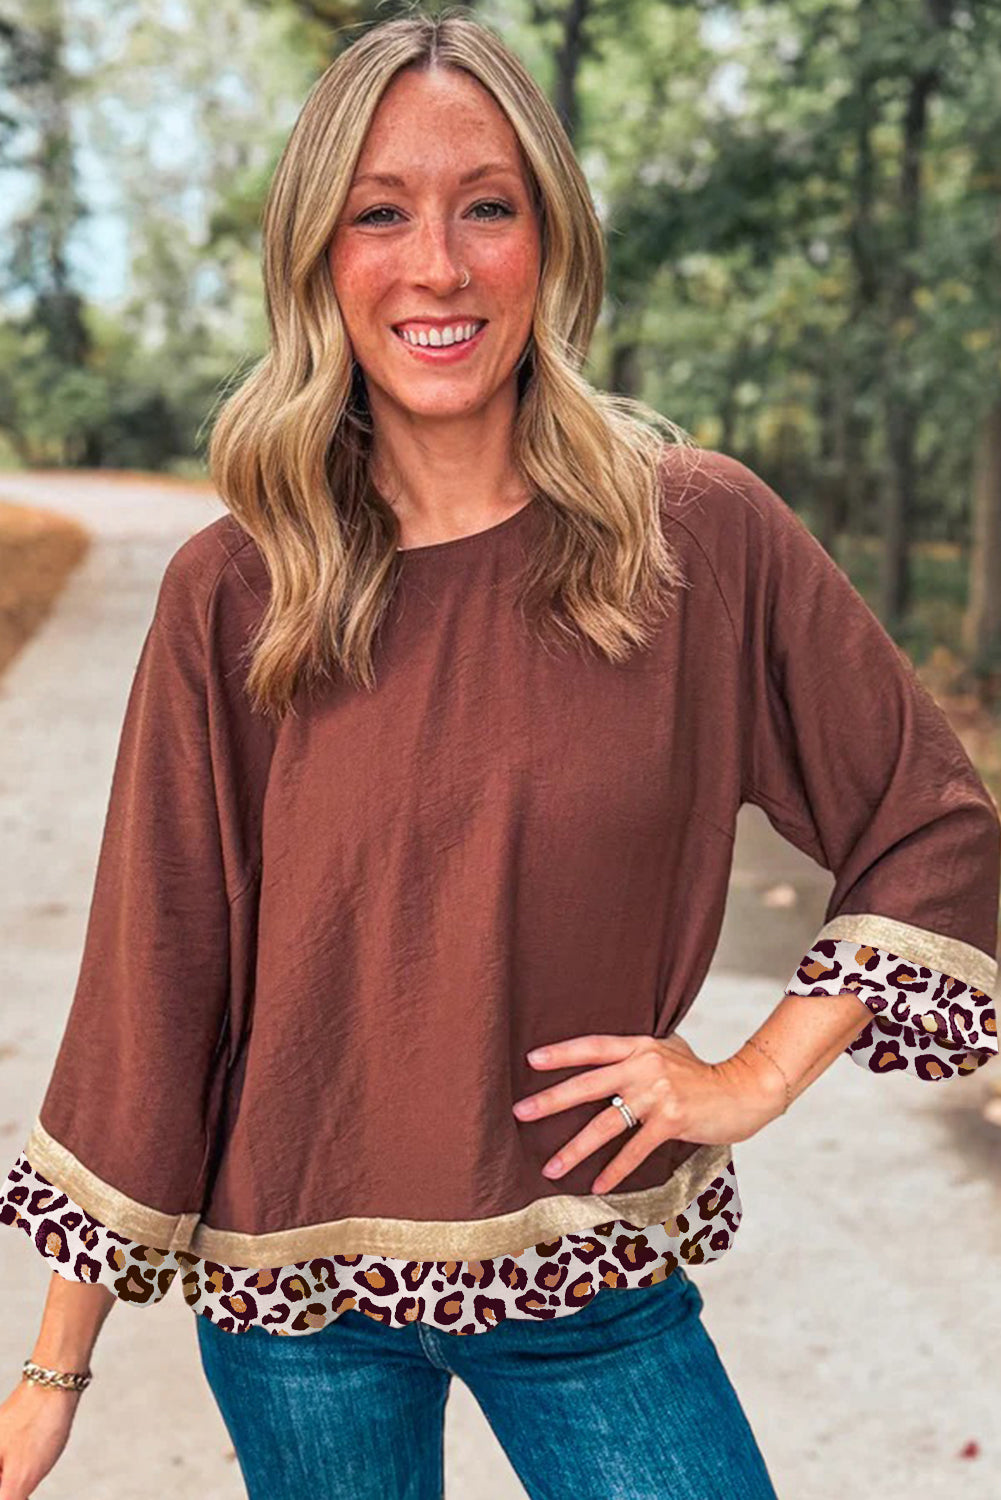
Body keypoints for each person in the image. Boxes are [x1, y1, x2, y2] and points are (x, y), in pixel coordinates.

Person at [1, 8, 998, 1499]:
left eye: (487, 208)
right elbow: (160, 977)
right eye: (378, 215)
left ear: (551, 239)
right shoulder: (237, 588)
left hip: (589, 1281)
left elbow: (932, 823)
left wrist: (754, 1075)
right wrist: (50, 1377)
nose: (438, 267)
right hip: (293, 1309)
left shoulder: (695, 538)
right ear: (315, 259)